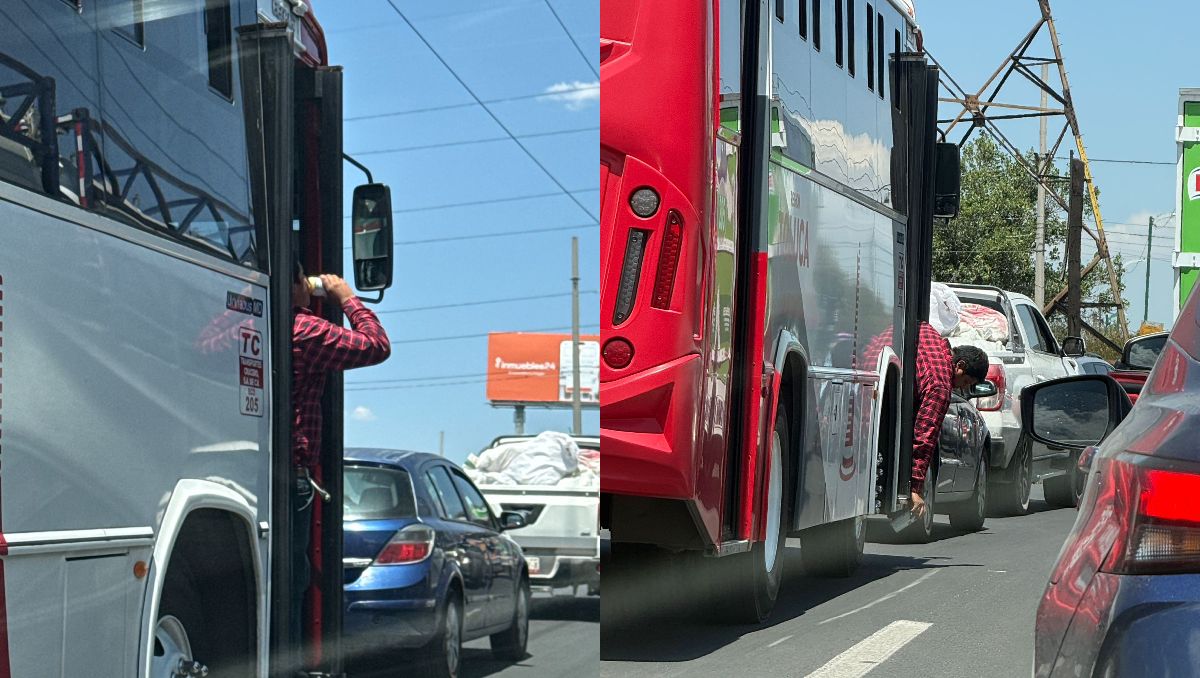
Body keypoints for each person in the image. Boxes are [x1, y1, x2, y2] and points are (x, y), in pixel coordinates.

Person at [291, 260, 391, 643]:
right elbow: (376, 345)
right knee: (294, 578)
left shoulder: (241, 324)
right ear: (294, 284)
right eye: (302, 278)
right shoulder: (305, 330)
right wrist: (347, 298)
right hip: (293, 475)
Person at [909, 326, 989, 517]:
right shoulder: (940, 386)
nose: (961, 388)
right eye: (966, 382)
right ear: (959, 365)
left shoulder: (929, 332)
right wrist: (915, 488)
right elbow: (924, 437)